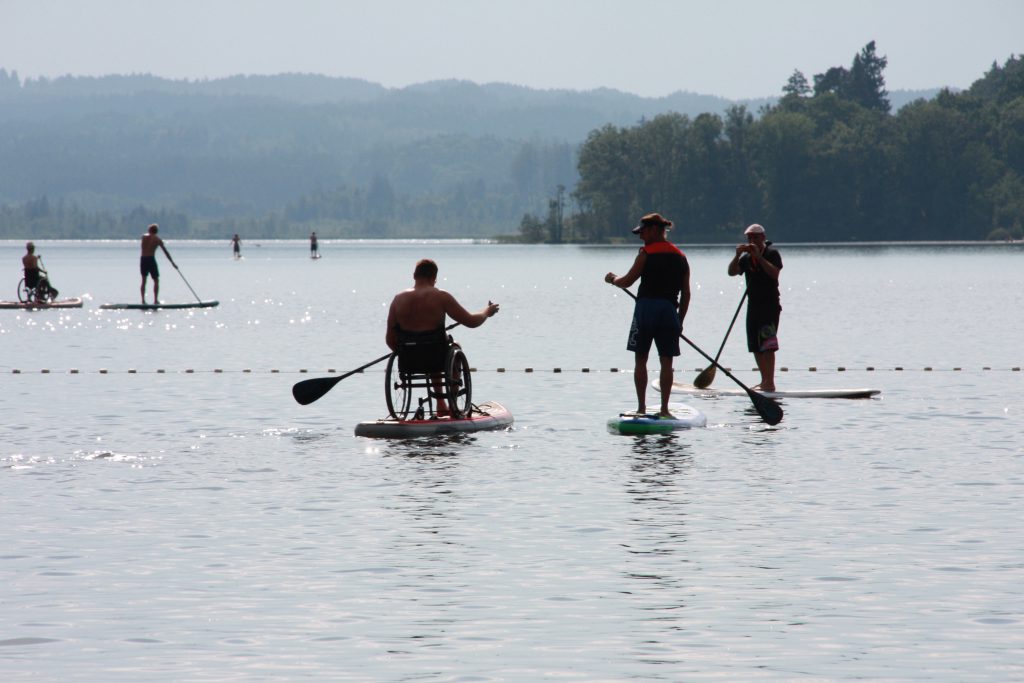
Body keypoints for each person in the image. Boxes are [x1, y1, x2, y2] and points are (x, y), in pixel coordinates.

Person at [386, 259, 499, 416]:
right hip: (436, 357)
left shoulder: (398, 300)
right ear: (434, 278)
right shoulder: (441, 296)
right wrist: (487, 311)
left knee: (432, 350)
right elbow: (472, 322)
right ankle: (450, 405)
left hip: (408, 360)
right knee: (454, 348)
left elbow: (390, 340)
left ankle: (441, 403)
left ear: (414, 276)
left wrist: (408, 352)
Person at [605, 213, 690, 418]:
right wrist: (680, 321)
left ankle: (642, 408)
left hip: (646, 310)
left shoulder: (646, 253)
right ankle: (664, 410)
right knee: (666, 362)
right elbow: (686, 293)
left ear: (654, 230)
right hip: (670, 312)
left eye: (642, 231)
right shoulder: (680, 256)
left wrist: (613, 278)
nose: (640, 236)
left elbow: (627, 281)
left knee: (641, 359)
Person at [728, 223, 783, 392]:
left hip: (769, 306)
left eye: (755, 237)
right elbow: (731, 271)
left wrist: (759, 258)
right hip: (753, 306)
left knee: (768, 344)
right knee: (754, 345)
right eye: (749, 237)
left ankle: (770, 383)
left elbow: (774, 273)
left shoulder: (772, 254)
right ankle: (764, 380)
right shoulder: (746, 258)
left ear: (763, 238)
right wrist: (737, 256)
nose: (752, 240)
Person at [140, 223, 177, 305]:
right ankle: (155, 300)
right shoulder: (157, 240)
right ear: (156, 231)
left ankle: (143, 300)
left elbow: (146, 235)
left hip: (143, 259)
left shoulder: (143, 237)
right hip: (151, 259)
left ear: (149, 230)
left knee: (143, 280)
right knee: (156, 280)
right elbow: (165, 252)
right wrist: (172, 263)